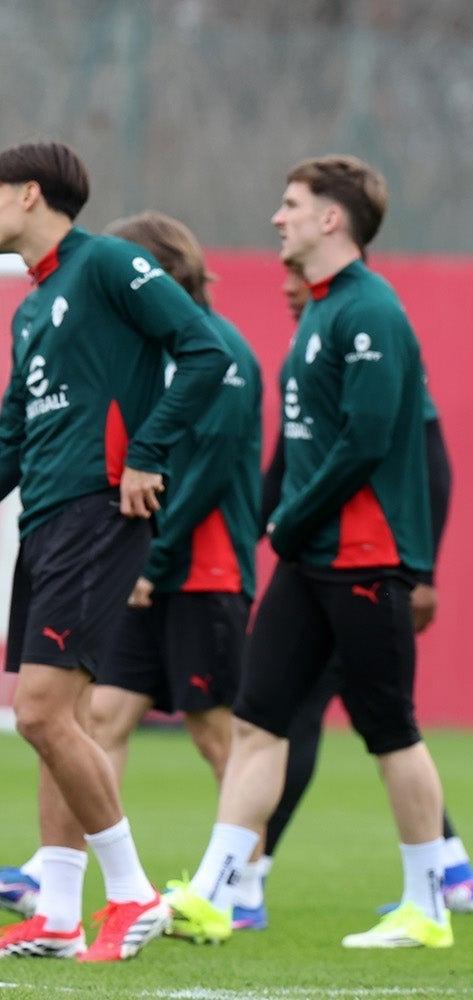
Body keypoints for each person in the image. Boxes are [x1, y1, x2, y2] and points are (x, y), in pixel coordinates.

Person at [162, 155, 453, 950]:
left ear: (332, 219)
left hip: (364, 558)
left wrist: (289, 520)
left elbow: (367, 439)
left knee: (390, 730)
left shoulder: (370, 311)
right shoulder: (322, 311)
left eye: (291, 204)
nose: (277, 218)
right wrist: (288, 525)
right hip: (311, 556)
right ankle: (216, 893)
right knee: (257, 721)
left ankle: (428, 905)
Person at [0, 211, 261, 937]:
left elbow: (205, 469)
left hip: (196, 567)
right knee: (92, 715)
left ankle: (238, 884)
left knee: (216, 732)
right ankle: (58, 887)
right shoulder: (93, 338)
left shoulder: (216, 350)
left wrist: (159, 552)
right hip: (126, 555)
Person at [226, 263, 473, 932]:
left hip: (360, 564)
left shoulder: (369, 330)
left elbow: (427, 460)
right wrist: (250, 539)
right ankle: (448, 868)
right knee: (292, 719)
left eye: (294, 268)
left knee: (355, 722)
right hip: (316, 564)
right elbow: (285, 466)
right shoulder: (308, 351)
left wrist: (422, 571)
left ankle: (248, 878)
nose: (286, 281)